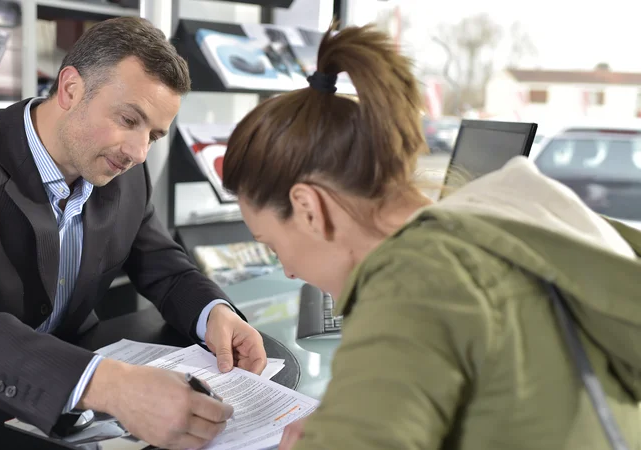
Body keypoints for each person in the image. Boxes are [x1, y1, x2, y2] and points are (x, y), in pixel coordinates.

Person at [0, 17, 267, 450]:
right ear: (70, 89)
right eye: (128, 119)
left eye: (154, 136)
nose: (138, 152)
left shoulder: (124, 177)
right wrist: (109, 385)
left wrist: (215, 312)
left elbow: (167, 269)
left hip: (52, 404)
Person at [221, 23, 641, 450]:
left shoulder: (414, 282)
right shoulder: (501, 224)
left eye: (273, 244)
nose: (288, 271)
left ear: (310, 208)